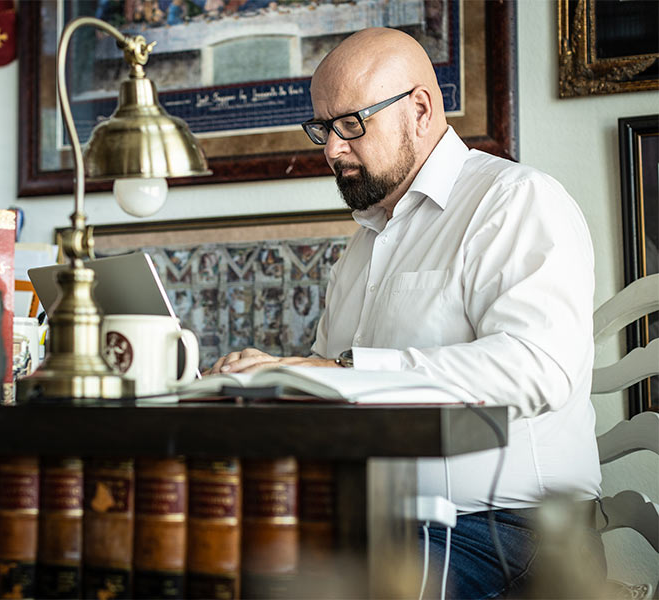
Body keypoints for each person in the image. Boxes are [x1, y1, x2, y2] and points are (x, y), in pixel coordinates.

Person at [209, 28, 605, 598]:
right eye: (323, 128)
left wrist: (342, 372)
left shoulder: (515, 200)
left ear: (419, 109)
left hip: (508, 527)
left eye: (350, 124)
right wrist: (272, 381)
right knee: (206, 562)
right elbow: (335, 385)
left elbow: (537, 368)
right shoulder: (364, 242)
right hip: (388, 522)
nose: (332, 150)